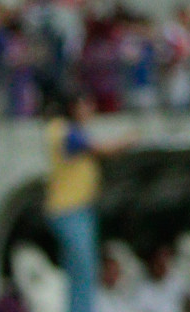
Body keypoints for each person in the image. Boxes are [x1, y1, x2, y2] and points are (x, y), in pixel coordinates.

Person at [44, 95, 131, 312]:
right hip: (67, 210)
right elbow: (100, 149)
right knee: (83, 269)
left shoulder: (74, 130)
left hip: (80, 209)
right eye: (86, 104)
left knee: (78, 269)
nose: (91, 109)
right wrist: (127, 141)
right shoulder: (63, 130)